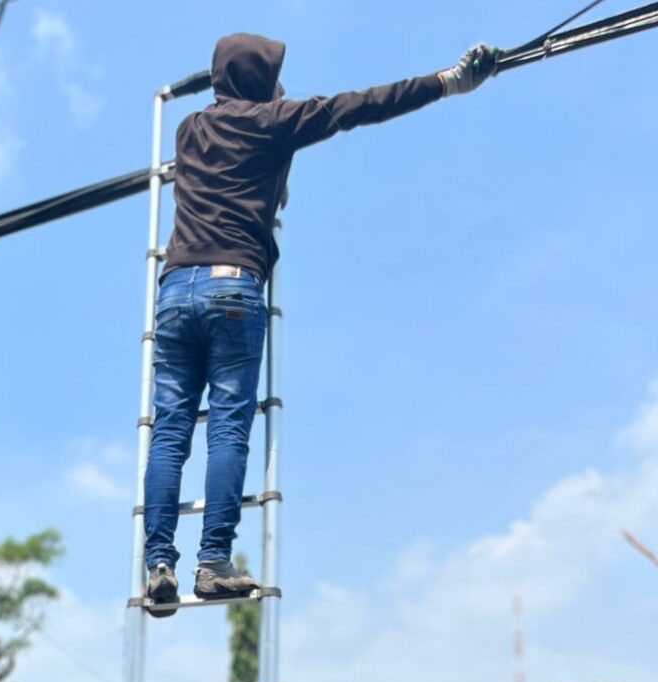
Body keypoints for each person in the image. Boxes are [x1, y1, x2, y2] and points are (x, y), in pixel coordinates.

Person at [143, 35, 499, 616]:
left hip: (175, 290)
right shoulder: (277, 121)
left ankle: (159, 561)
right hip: (234, 286)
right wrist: (449, 81)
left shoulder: (187, 131)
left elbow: (246, 167)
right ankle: (212, 564)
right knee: (229, 429)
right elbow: (362, 105)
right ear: (262, 81)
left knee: (169, 431)